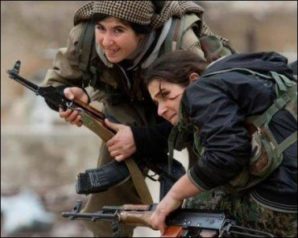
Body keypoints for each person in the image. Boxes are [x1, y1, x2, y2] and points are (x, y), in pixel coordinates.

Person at [42, 1, 234, 236]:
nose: (106, 41)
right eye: (101, 28)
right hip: (126, 117)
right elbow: (54, 85)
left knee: (211, 203)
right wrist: (71, 96)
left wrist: (142, 139)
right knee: (105, 210)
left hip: (195, 118)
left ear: (143, 34)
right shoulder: (86, 37)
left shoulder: (181, 43)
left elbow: (207, 113)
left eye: (118, 30)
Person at [144, 50, 297, 237]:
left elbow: (226, 156)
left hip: (284, 200)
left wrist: (174, 195)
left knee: (194, 211)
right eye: (156, 102)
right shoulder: (240, 73)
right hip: (287, 185)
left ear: (193, 79)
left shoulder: (200, 89)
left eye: (166, 95)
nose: (161, 110)